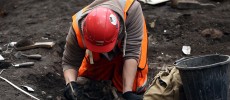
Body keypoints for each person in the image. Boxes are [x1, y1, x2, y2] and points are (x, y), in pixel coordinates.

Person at [62, 0, 148, 100]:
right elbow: (70, 62)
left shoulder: (131, 10)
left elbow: (132, 52)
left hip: (128, 31)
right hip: (100, 43)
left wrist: (127, 92)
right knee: (90, 77)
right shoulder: (77, 27)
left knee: (136, 85)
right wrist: (71, 86)